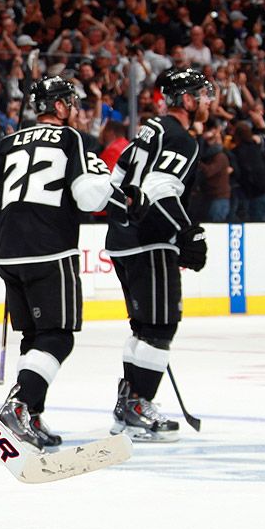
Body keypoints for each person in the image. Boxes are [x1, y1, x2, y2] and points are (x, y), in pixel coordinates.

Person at [0, 77, 117, 451]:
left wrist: (8, 230)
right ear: (61, 107)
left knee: (33, 337)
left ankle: (30, 414)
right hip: (51, 249)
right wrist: (107, 184)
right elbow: (86, 197)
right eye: (72, 103)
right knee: (57, 336)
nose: (76, 110)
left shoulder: (7, 142)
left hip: (8, 253)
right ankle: (18, 404)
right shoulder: (72, 140)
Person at [104, 67, 211, 443]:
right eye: (201, 94)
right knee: (160, 327)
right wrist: (189, 232)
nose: (207, 101)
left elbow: (116, 184)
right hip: (151, 243)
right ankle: (139, 406)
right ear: (185, 99)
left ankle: (130, 403)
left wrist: (125, 223)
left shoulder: (147, 132)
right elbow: (160, 187)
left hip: (123, 241)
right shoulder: (180, 137)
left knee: (144, 327)